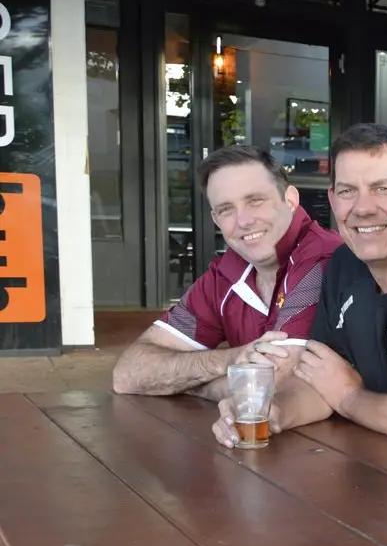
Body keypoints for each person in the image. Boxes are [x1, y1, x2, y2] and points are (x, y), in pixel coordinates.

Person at [212, 123, 387, 446]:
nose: (362, 208)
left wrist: (348, 396)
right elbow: (317, 382)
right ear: (333, 200)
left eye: (382, 189)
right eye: (348, 191)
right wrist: (272, 411)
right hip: (380, 465)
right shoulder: (344, 264)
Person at [112, 145, 341, 399]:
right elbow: (127, 375)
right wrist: (232, 359)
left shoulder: (322, 259)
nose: (243, 220)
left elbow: (273, 384)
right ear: (215, 219)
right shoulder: (227, 274)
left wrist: (192, 384)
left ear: (290, 199)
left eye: (255, 201)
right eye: (226, 210)